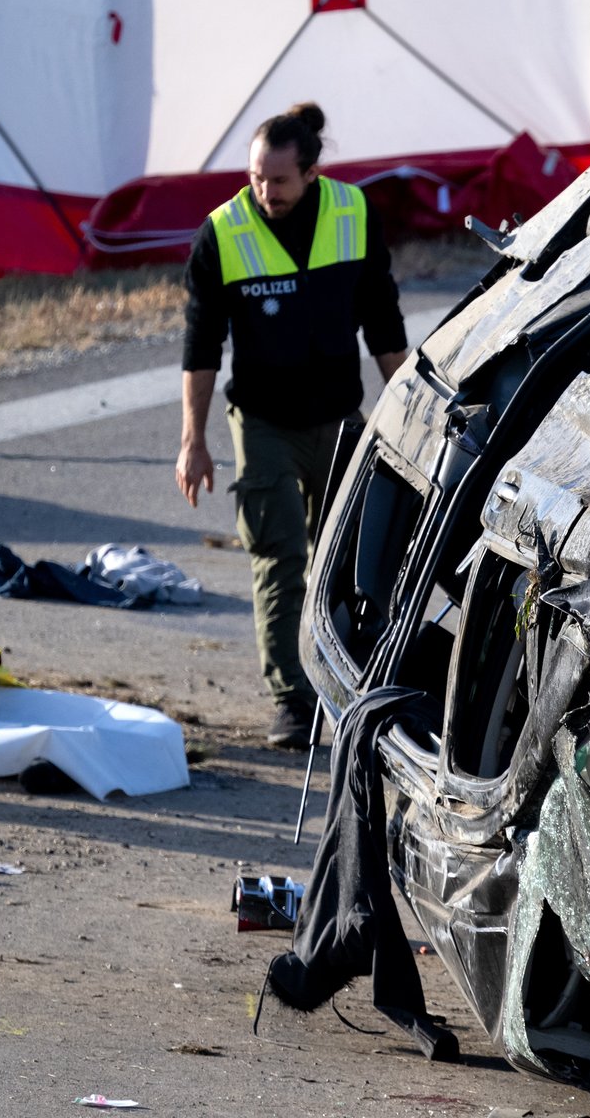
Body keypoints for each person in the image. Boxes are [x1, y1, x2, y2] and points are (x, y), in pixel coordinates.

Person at [175, 103, 407, 749]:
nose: (263, 193)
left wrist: (416, 415)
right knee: (279, 556)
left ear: (310, 173)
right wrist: (193, 440)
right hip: (264, 422)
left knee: (343, 562)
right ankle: (293, 705)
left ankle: (341, 688)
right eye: (254, 177)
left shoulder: (354, 215)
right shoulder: (221, 233)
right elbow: (200, 347)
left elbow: (384, 324)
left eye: (276, 181)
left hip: (337, 421)